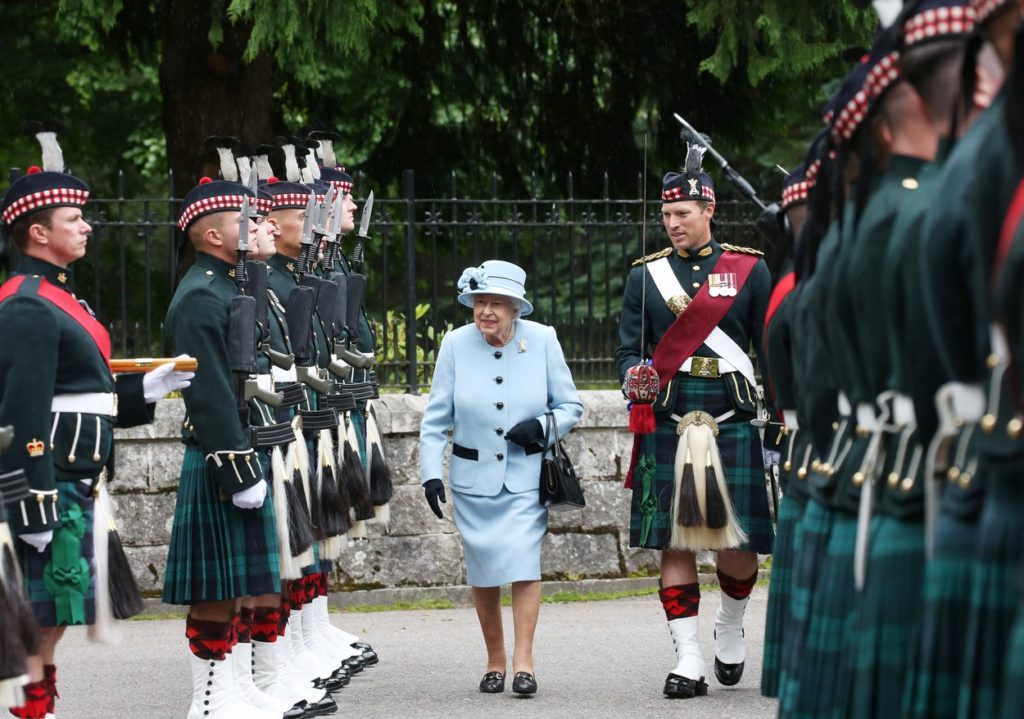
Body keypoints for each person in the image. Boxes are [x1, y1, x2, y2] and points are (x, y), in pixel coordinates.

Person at [0, 135, 190, 719]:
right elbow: (21, 410)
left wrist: (143, 391)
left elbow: (86, 390)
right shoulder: (28, 303)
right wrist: (29, 500)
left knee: (51, 617)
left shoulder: (60, 298)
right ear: (38, 232)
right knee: (36, 619)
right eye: (74, 218)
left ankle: (36, 708)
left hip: (77, 476)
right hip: (48, 479)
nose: (86, 228)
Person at [615, 146, 773, 699]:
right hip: (670, 417)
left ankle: (731, 625)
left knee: (740, 542)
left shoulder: (749, 269)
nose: (673, 224)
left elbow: (768, 348)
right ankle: (688, 658)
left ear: (709, 210)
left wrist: (776, 418)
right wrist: (633, 374)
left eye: (682, 214)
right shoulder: (645, 277)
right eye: (666, 216)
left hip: (731, 415)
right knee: (673, 543)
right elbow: (627, 351)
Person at [419, 260, 583, 696]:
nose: (485, 310)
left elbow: (571, 406)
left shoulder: (542, 340)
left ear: (516, 308)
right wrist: (430, 475)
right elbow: (436, 419)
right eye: (479, 302)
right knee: (485, 570)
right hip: (473, 483)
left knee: (525, 565)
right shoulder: (455, 344)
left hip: (525, 478)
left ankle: (524, 663)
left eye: (496, 303)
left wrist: (543, 426)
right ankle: (494, 660)